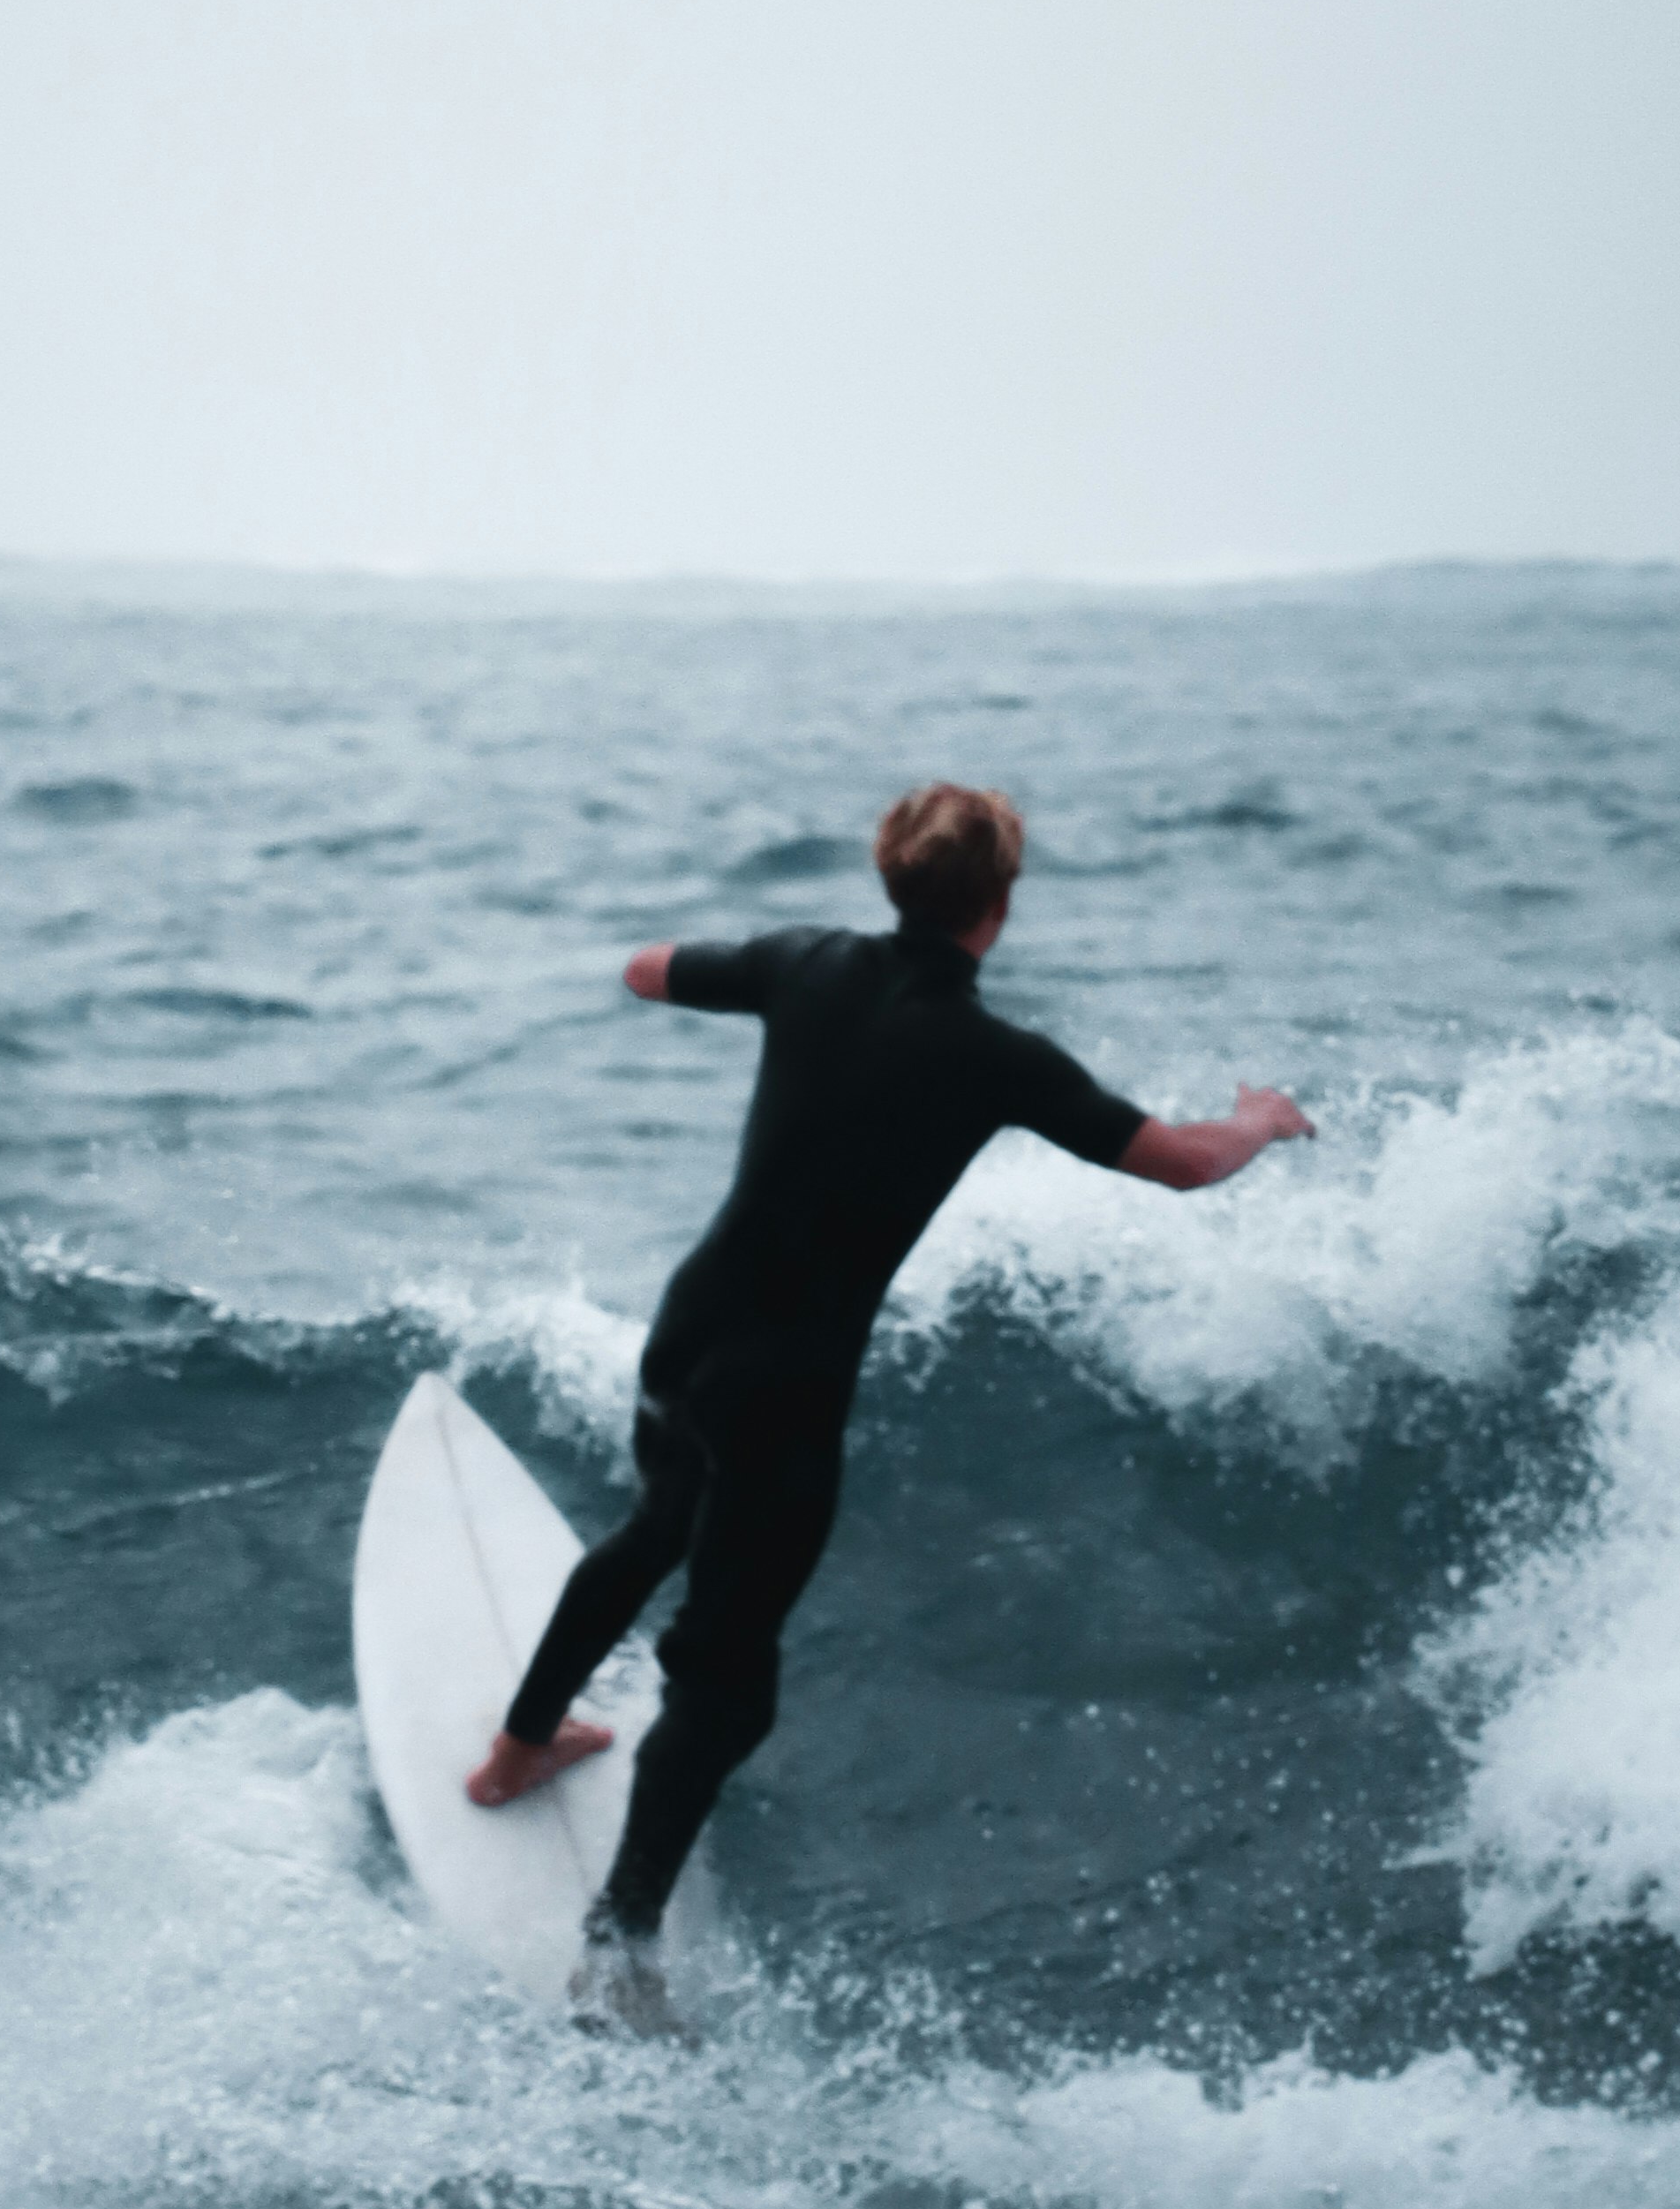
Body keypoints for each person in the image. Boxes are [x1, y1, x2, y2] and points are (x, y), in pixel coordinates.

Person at [469, 780, 1312, 2026]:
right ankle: (617, 1944)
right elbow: (1183, 1165)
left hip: (692, 1328)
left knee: (656, 1527)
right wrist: (1256, 1120)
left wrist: (723, 967)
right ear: (1000, 906)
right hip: (788, 1388)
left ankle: (517, 1752)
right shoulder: (996, 1058)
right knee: (728, 1682)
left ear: (889, 875)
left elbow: (647, 970)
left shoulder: (803, 965)